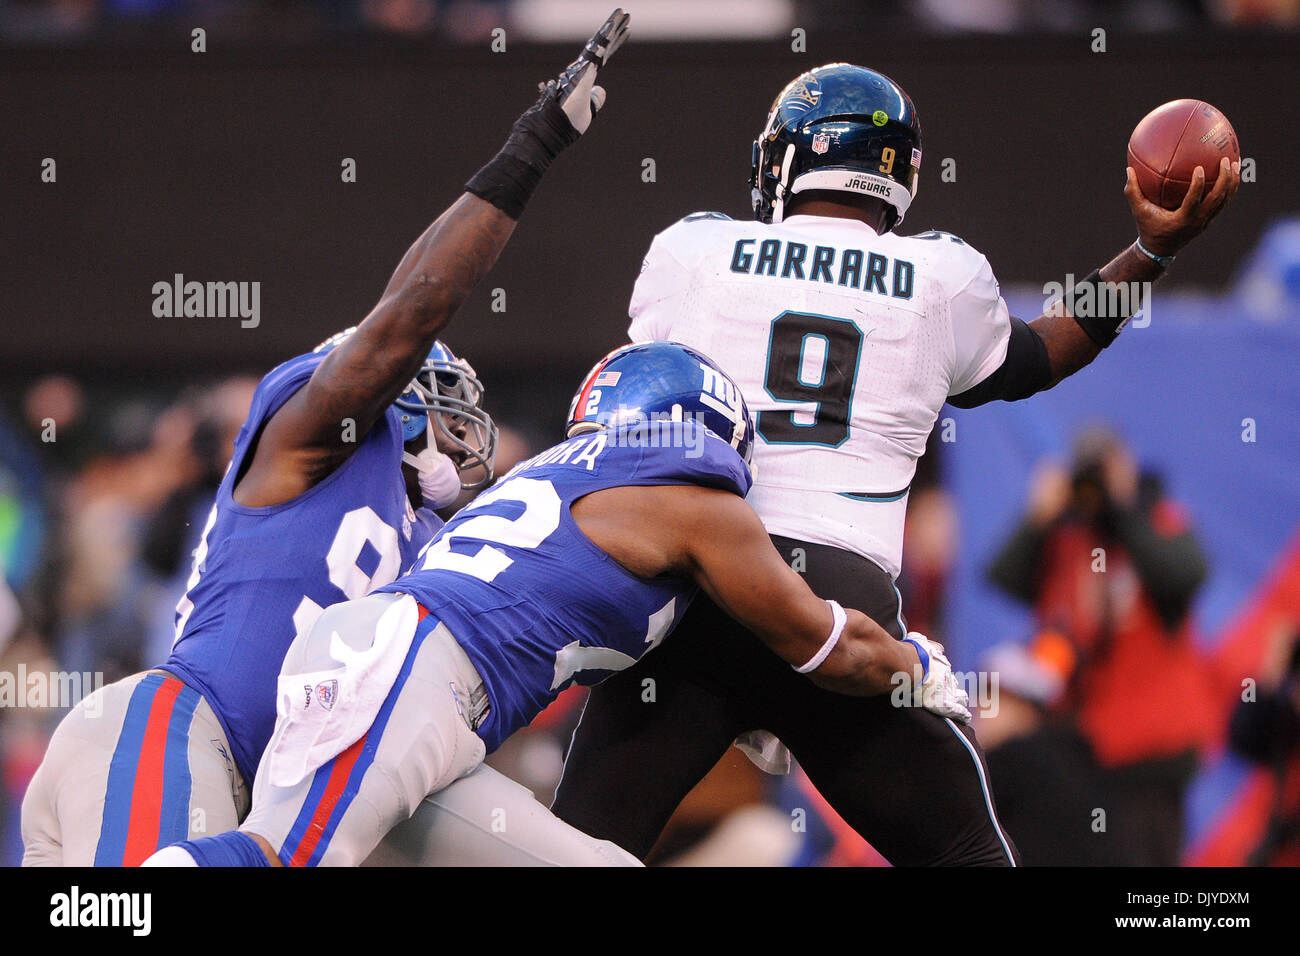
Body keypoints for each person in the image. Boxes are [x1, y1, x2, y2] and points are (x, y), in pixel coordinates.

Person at [550, 62, 1241, 865]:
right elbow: (1041, 356)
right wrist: (1150, 252)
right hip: (841, 606)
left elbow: (640, 394)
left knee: (571, 853)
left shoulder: (694, 249)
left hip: (695, 593)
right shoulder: (940, 274)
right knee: (969, 857)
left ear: (792, 157)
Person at [20, 7, 629, 867]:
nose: (465, 437)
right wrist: (530, 149)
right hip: (180, 733)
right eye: (443, 405)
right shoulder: (314, 433)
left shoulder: (446, 544)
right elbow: (411, 311)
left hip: (311, 777)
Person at [144, 341, 969, 867]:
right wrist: (917, 666)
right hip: (410, 670)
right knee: (283, 859)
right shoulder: (694, 506)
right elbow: (830, 648)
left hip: (412, 682)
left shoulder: (571, 483)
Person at [987, 428, 1215, 865]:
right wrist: (1036, 518)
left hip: (1151, 759)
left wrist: (1125, 506)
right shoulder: (1068, 535)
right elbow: (1006, 578)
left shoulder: (1156, 519)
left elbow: (1187, 574)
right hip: (1083, 755)